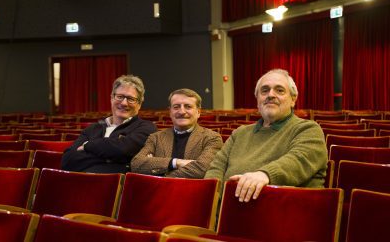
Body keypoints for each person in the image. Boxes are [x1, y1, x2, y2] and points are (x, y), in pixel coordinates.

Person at [204, 69, 327, 202]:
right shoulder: (240, 133)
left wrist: (265, 174)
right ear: (257, 100)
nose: (271, 95)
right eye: (265, 90)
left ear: (293, 99)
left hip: (282, 214)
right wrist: (212, 198)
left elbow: (299, 160)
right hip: (227, 212)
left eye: (279, 90)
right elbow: (216, 168)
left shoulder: (308, 129)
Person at [61, 75, 157, 173]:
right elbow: (67, 160)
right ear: (111, 98)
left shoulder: (147, 128)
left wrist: (88, 146)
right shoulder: (92, 128)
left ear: (139, 104)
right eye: (120, 97)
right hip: (83, 184)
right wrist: (113, 158)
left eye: (130, 99)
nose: (124, 103)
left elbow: (123, 150)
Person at [131, 88, 223, 178]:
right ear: (170, 112)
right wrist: (175, 163)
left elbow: (203, 169)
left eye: (188, 106)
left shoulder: (212, 138)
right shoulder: (155, 138)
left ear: (198, 112)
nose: (182, 111)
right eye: (176, 107)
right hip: (159, 193)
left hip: (193, 191)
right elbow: (137, 164)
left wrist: (161, 175)